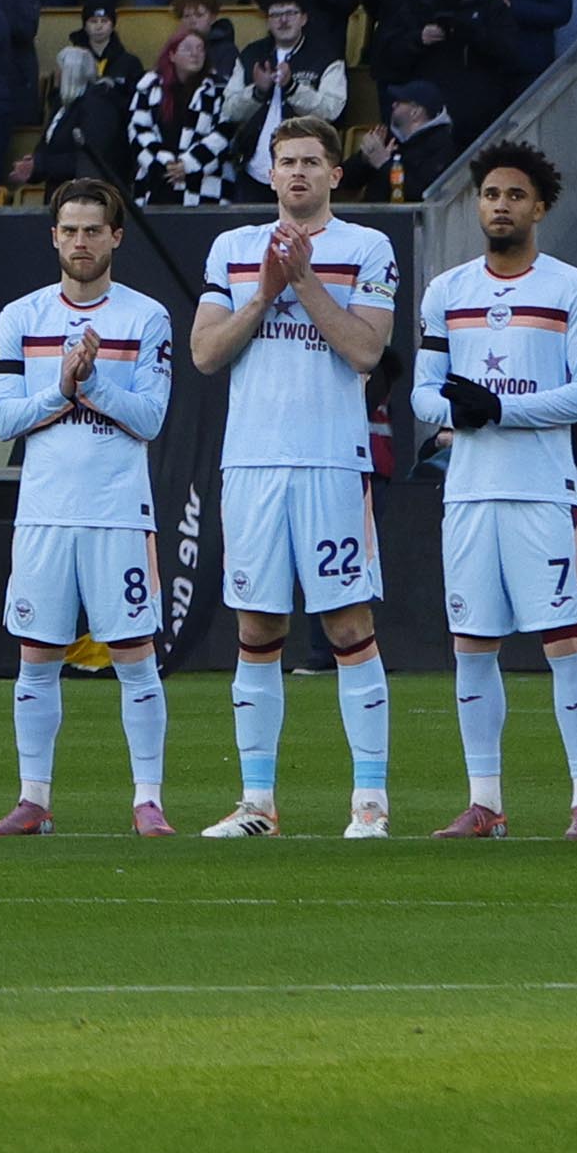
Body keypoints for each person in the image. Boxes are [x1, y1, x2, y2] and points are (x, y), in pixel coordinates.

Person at [190, 112, 402, 835]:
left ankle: (368, 801)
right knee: (256, 626)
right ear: (269, 173)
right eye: (286, 161)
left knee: (347, 622)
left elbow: (364, 351)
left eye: (312, 161)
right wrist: (262, 291)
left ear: (335, 174)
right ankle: (257, 803)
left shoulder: (366, 246)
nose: (299, 173)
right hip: (250, 460)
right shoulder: (232, 246)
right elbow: (205, 353)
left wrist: (303, 280)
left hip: (329, 461)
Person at [409, 139, 577, 837]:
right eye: (490, 194)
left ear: (540, 206)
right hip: (467, 495)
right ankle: (485, 801)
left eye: (514, 195)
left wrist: (501, 410)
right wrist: (456, 411)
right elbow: (419, 393)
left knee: (563, 643)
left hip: (541, 492)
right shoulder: (448, 291)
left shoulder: (568, 289)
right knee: (471, 646)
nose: (500, 205)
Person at [0, 181, 183, 834]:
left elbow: (150, 417)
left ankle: (146, 798)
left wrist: (89, 382)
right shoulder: (19, 315)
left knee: (133, 654)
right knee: (36, 656)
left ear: (116, 236)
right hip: (43, 514)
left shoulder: (145, 316)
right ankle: (33, 798)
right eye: (69, 230)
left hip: (117, 511)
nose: (81, 241)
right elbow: (2, 416)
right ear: (53, 237)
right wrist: (59, 389)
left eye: (93, 229)